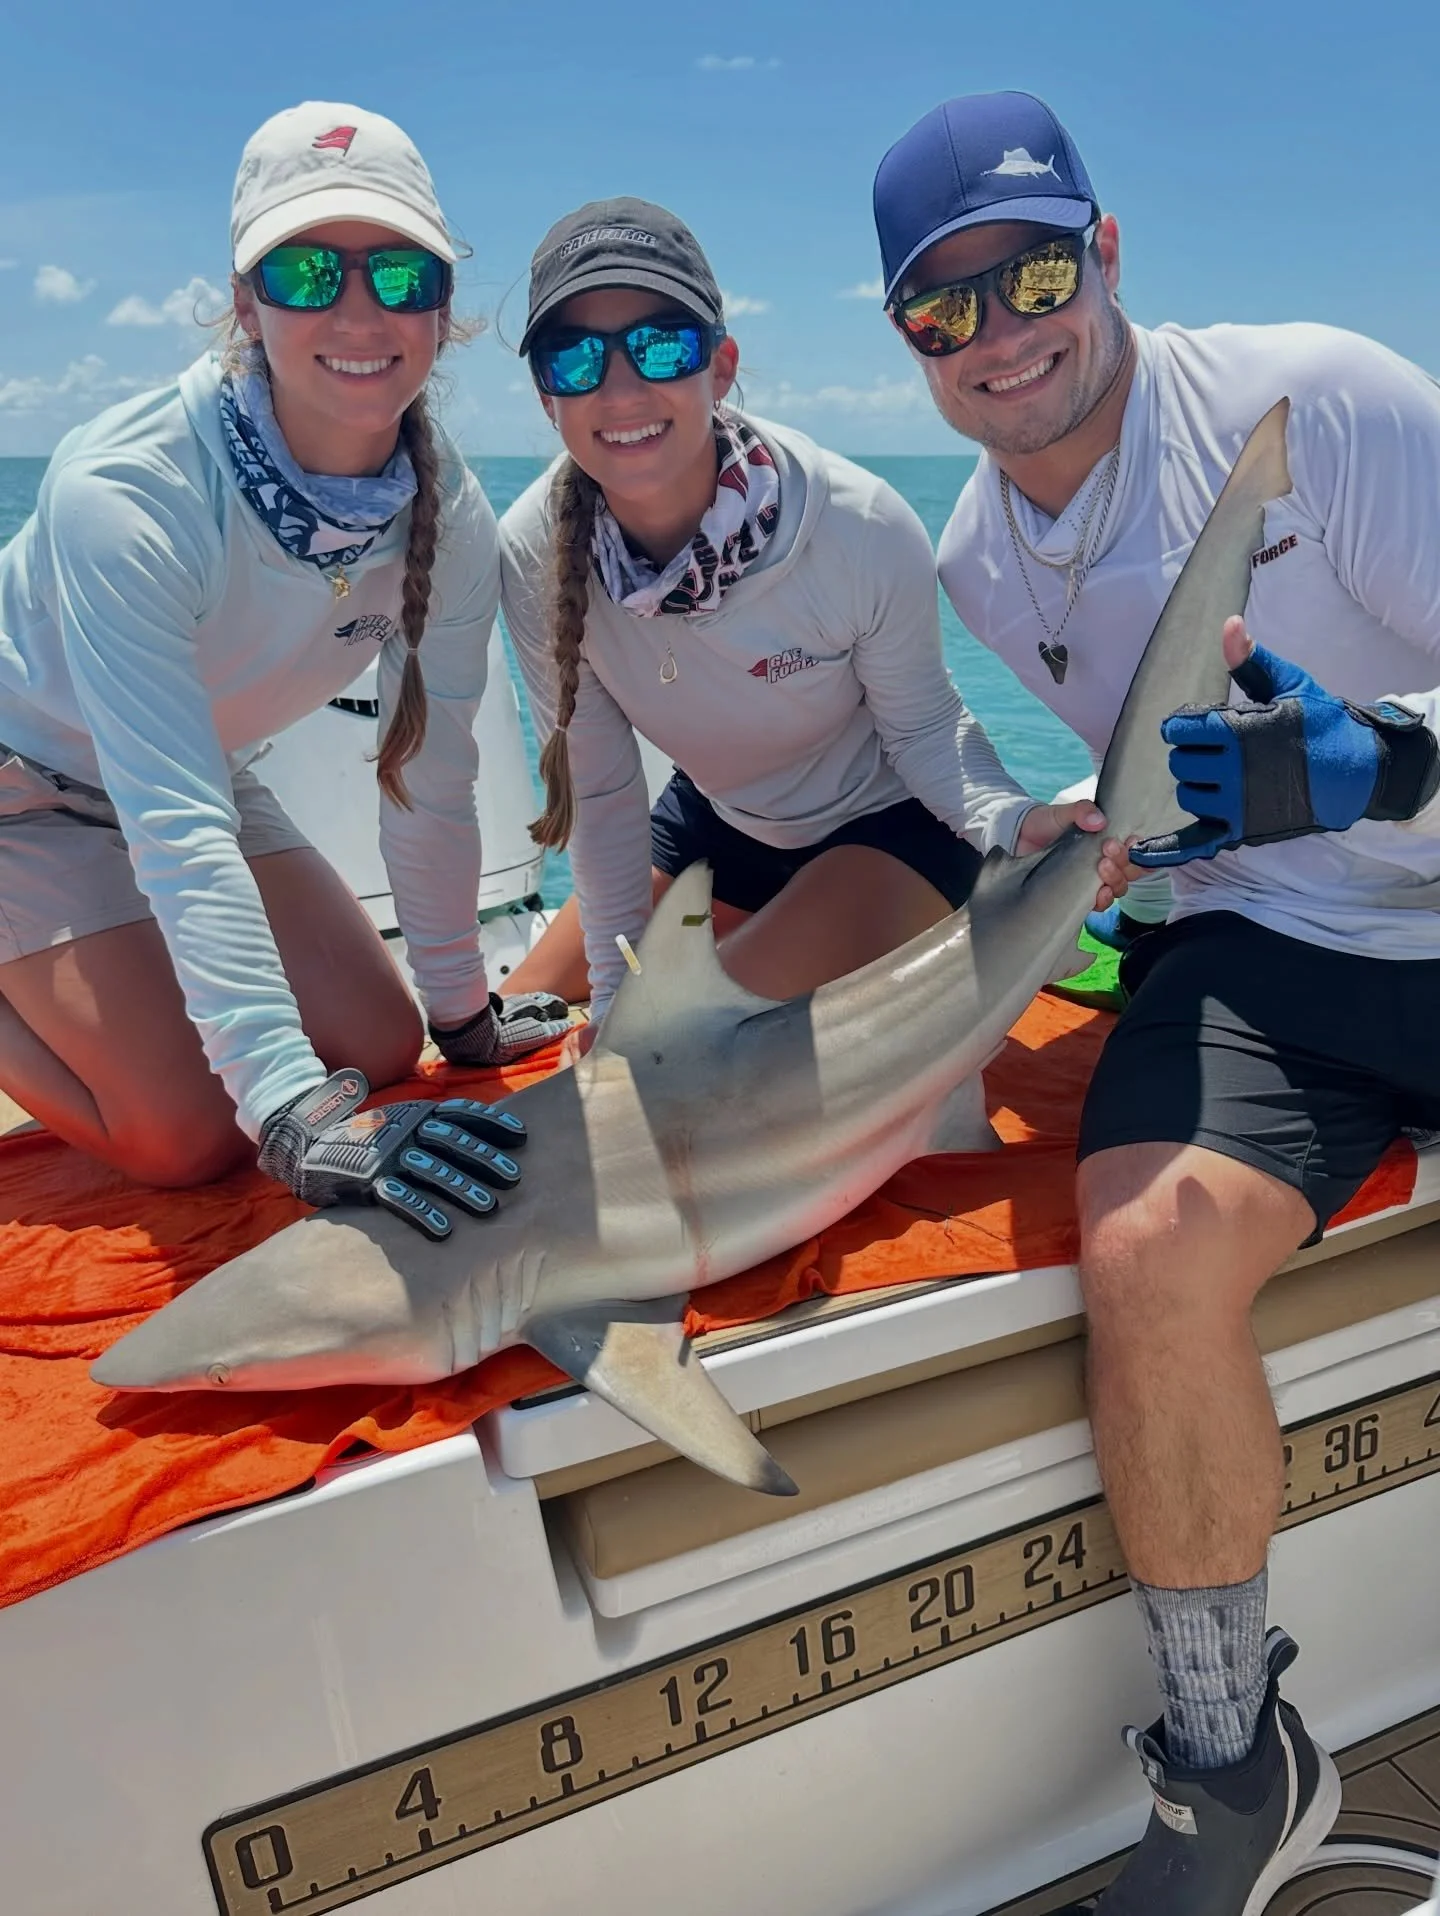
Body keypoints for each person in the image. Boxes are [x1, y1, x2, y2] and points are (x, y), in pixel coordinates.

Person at [874, 89, 1440, 1913]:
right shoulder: (968, 555)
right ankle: (1230, 1763)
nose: (1001, 334)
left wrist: (1395, 773)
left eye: (1030, 272)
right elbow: (1164, 795)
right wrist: (1099, 841)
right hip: (1268, 959)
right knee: (1140, 1251)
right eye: (944, 307)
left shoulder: (1323, 404)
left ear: (1104, 254)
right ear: (906, 340)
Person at [0, 101, 569, 1236]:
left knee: (374, 1043)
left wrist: (460, 1014)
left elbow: (433, 775)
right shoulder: (126, 489)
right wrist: (284, 1109)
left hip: (192, 768)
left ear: (445, 307)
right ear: (248, 299)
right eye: (310, 271)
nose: (359, 311)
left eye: (401, 276)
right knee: (190, 1137)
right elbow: (176, 824)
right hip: (25, 789)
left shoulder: (446, 510)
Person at [497, 198, 1131, 1041]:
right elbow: (607, 790)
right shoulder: (533, 553)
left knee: (675, 1043)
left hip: (889, 829)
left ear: (720, 367)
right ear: (545, 395)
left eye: (661, 346)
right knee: (504, 1025)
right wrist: (611, 992)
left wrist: (1016, 823)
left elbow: (925, 728)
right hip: (714, 822)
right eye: (575, 359)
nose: (621, 388)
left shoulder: (855, 525)